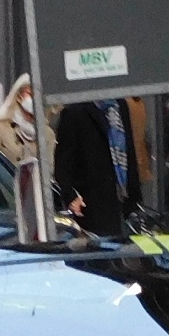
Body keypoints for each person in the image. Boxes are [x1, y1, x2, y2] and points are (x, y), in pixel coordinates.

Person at [53, 97, 136, 235]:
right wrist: (70, 196)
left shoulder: (120, 106)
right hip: (93, 206)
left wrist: (134, 197)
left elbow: (129, 151)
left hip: (123, 201)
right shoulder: (75, 111)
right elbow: (63, 165)